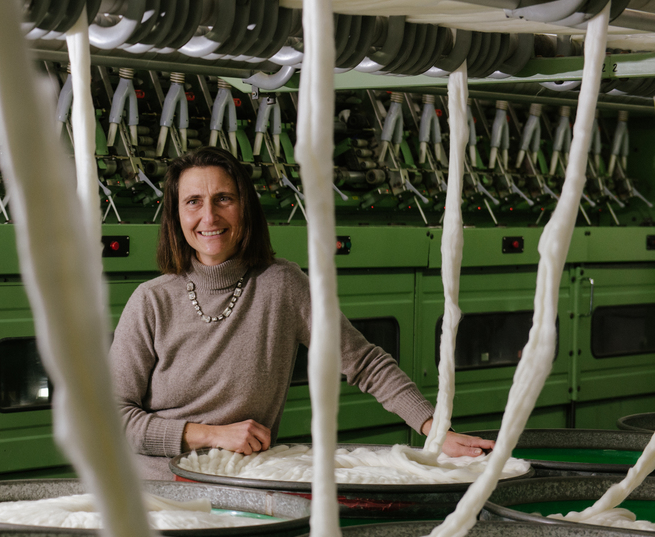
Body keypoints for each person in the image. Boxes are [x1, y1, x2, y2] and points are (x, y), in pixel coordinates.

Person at [110, 146, 495, 480]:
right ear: (176, 215)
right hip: (156, 490)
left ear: (245, 206)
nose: (208, 217)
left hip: (241, 481)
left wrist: (435, 428)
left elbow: (364, 363)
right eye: (193, 201)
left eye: (223, 198)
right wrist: (210, 434)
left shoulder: (282, 284)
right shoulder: (151, 301)